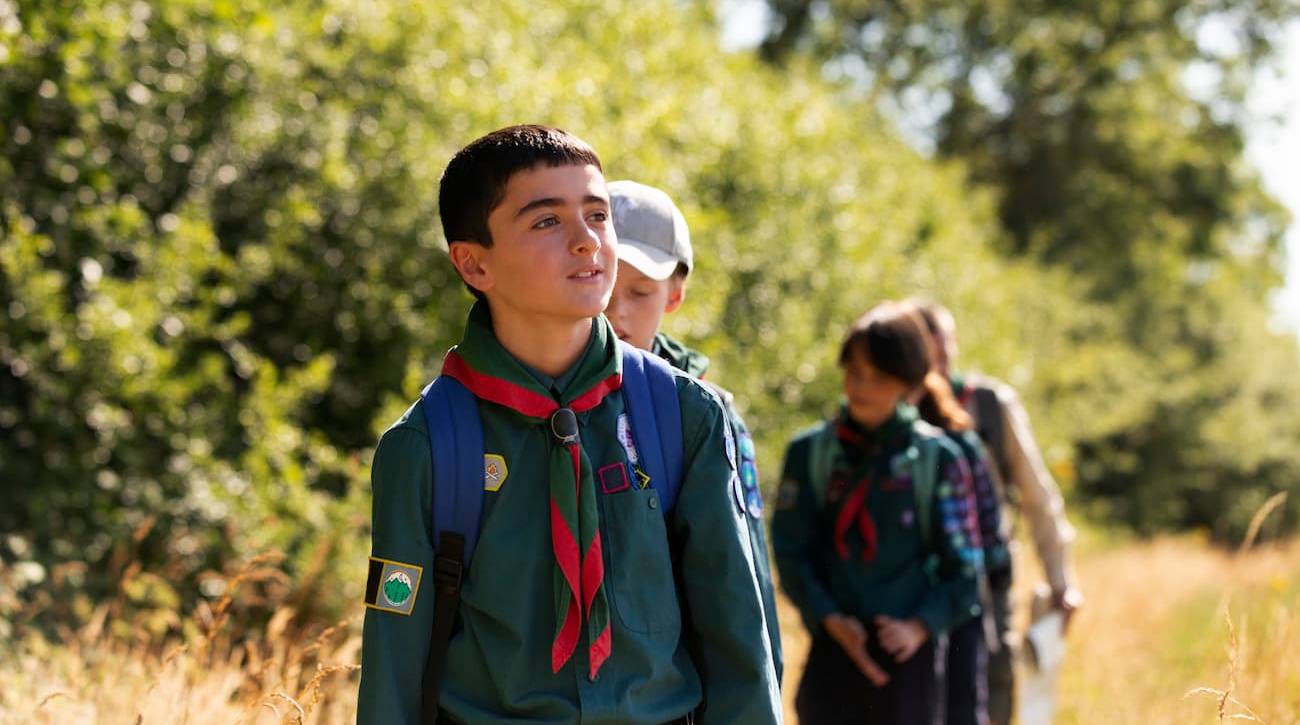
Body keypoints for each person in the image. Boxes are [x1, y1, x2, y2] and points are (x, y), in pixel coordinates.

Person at [357, 125, 782, 724]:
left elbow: (738, 630)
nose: (588, 242)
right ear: (474, 263)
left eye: (598, 215)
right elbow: (392, 655)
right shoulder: (427, 444)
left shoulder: (683, 414)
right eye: (547, 222)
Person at [603, 179, 784, 684]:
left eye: (640, 292)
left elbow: (745, 583)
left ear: (676, 292)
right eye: (605, 283)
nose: (617, 311)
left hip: (675, 690)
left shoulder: (707, 413)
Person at [771, 301, 983, 725]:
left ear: (910, 384)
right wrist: (828, 617)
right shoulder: (812, 453)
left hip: (910, 664)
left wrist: (920, 627)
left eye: (878, 378)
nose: (859, 387)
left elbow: (966, 570)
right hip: (832, 654)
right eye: (853, 373)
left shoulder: (938, 459)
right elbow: (791, 550)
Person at [907, 297, 1083, 725]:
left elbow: (1038, 498)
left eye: (944, 352)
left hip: (989, 587)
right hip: (910, 592)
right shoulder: (892, 411)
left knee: (991, 693)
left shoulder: (991, 404)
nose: (938, 367)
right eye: (926, 357)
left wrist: (1062, 582)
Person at [913, 345, 1009, 725]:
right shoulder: (860, 444)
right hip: (910, 619)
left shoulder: (958, 445)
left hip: (955, 614)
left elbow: (989, 535)